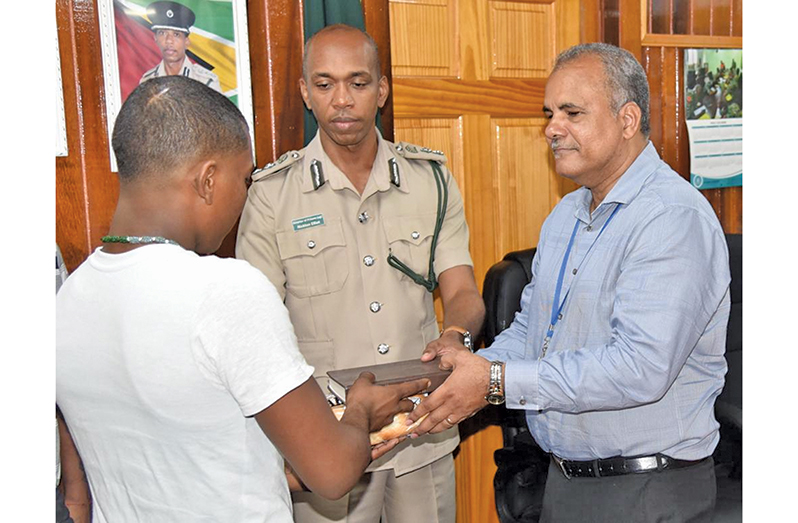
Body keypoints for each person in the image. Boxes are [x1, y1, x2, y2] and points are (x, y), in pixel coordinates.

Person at [56, 76, 430, 522]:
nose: (245, 194)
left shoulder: (69, 298)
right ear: (208, 180)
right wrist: (359, 412)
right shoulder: (225, 290)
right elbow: (331, 473)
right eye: (244, 177)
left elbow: (187, 449)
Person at [408, 43, 730, 523]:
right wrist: (467, 369)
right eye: (549, 113)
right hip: (565, 482)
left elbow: (638, 367)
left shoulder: (671, 218)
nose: (551, 129)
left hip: (649, 491)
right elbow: (534, 331)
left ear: (627, 119)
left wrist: (494, 383)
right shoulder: (566, 216)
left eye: (572, 112)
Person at [236, 24, 485, 523]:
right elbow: (254, 326)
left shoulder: (430, 180)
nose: (342, 99)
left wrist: (455, 335)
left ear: (382, 89)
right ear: (306, 93)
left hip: (421, 427)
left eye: (358, 82)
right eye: (325, 84)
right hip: (325, 441)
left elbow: (462, 289)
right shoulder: (271, 194)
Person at [139, 1, 222, 93]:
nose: (169, 40)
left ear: (186, 42)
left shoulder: (206, 81)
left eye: (176, 34)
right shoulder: (147, 81)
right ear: (156, 39)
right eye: (162, 33)